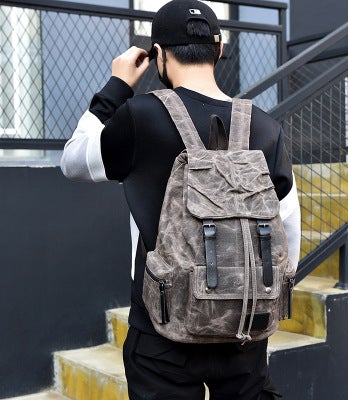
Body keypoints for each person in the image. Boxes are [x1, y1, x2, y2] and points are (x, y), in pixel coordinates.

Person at [61, 0, 301, 399]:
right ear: (219, 49)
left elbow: (73, 161)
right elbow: (287, 232)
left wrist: (117, 86)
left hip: (162, 330)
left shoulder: (140, 116)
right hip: (243, 327)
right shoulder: (265, 127)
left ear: (158, 55)